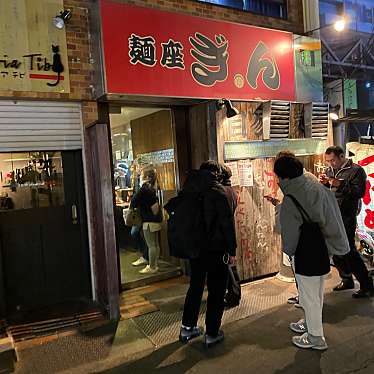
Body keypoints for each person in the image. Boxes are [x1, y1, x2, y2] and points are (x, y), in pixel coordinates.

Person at [275, 156, 349, 350]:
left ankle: (316, 337)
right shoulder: (316, 187)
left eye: (279, 177)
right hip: (321, 247)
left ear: (285, 177)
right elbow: (333, 217)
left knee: (309, 296)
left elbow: (290, 233)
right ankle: (308, 324)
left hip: (304, 252)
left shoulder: (291, 198)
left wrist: (288, 252)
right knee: (316, 292)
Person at [179, 160, 237, 348]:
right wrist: (232, 250)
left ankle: (187, 327)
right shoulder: (217, 191)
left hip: (195, 249)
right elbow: (227, 224)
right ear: (216, 174)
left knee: (195, 287)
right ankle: (212, 333)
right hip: (216, 249)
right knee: (216, 291)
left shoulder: (189, 189)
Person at [320, 146, 374, 298]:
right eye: (328, 161)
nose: (331, 164)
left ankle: (367, 285)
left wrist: (340, 184)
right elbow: (329, 189)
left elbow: (359, 192)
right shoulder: (330, 170)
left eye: (333, 160)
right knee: (334, 248)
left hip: (347, 215)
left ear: (342, 156)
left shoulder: (356, 170)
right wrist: (325, 183)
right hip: (332, 214)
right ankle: (346, 279)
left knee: (349, 250)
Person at [131, 167, 162, 274]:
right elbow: (155, 208)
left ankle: (152, 267)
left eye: (141, 175)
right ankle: (155, 264)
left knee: (151, 245)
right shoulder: (153, 188)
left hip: (148, 221)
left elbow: (134, 202)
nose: (140, 177)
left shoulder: (144, 189)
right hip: (156, 220)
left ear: (147, 177)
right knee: (156, 244)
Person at [219, 164, 240, 308]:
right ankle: (234, 294)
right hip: (228, 233)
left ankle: (233, 295)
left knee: (226, 266)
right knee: (230, 266)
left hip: (225, 234)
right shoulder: (231, 190)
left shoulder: (223, 192)